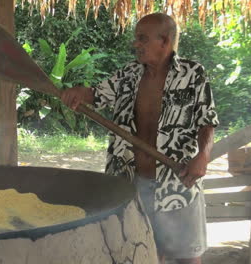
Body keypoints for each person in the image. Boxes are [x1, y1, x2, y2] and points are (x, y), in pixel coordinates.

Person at [61, 13, 219, 264]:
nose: (136, 44)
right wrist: (79, 93)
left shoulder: (193, 74)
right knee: (142, 252)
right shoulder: (128, 74)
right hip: (131, 183)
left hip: (177, 183)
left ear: (164, 42)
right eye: (137, 38)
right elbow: (96, 95)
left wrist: (203, 156)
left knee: (187, 257)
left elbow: (207, 121)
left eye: (143, 39)